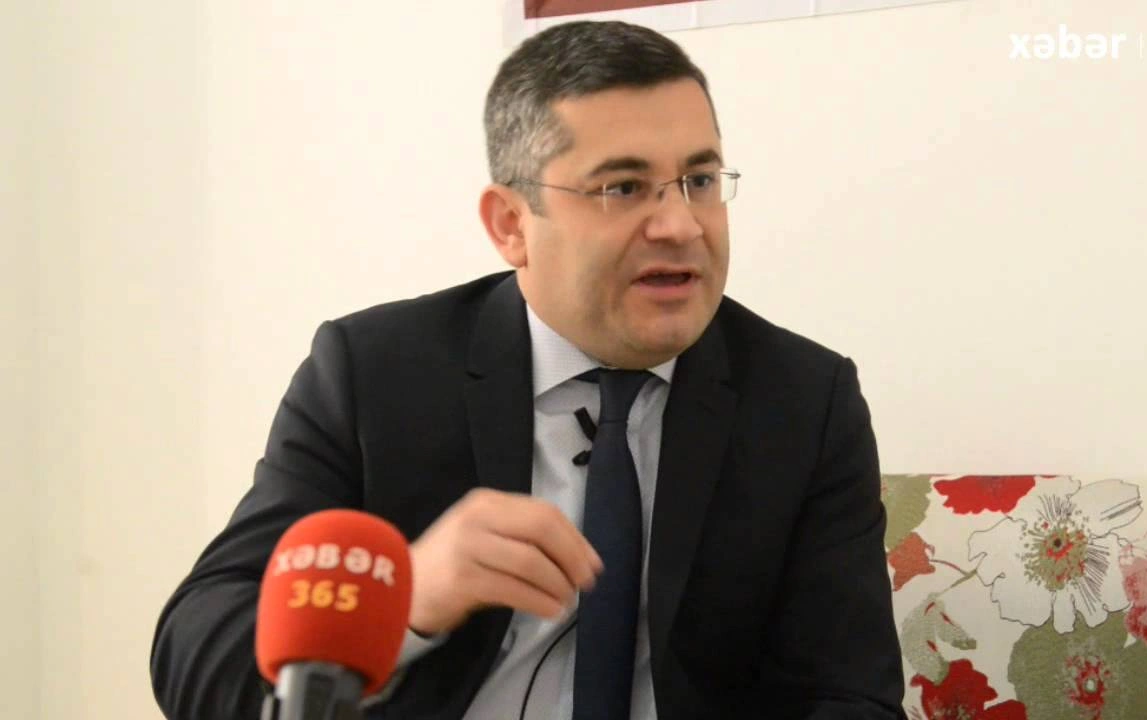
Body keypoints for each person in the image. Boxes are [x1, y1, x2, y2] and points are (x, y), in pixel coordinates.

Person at [151, 19, 905, 720]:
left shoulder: (803, 402)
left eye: (700, 180)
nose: (680, 224)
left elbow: (850, 696)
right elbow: (196, 653)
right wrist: (401, 603)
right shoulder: (375, 375)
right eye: (623, 187)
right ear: (511, 224)